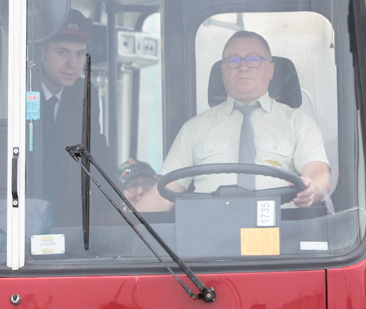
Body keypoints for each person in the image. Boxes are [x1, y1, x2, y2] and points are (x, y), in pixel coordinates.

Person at [132, 30, 331, 212]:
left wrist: (311, 189)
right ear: (222, 71)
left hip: (285, 237)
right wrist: (125, 222)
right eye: (233, 60)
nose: (243, 67)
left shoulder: (299, 124)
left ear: (270, 70)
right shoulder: (194, 129)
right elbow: (164, 194)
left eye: (254, 59)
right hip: (210, 240)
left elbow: (319, 175)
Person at [28, 11, 112, 227]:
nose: (72, 63)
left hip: (68, 218)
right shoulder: (11, 92)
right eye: (62, 52)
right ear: (42, 53)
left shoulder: (84, 93)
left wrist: (116, 200)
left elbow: (95, 148)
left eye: (79, 54)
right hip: (21, 215)